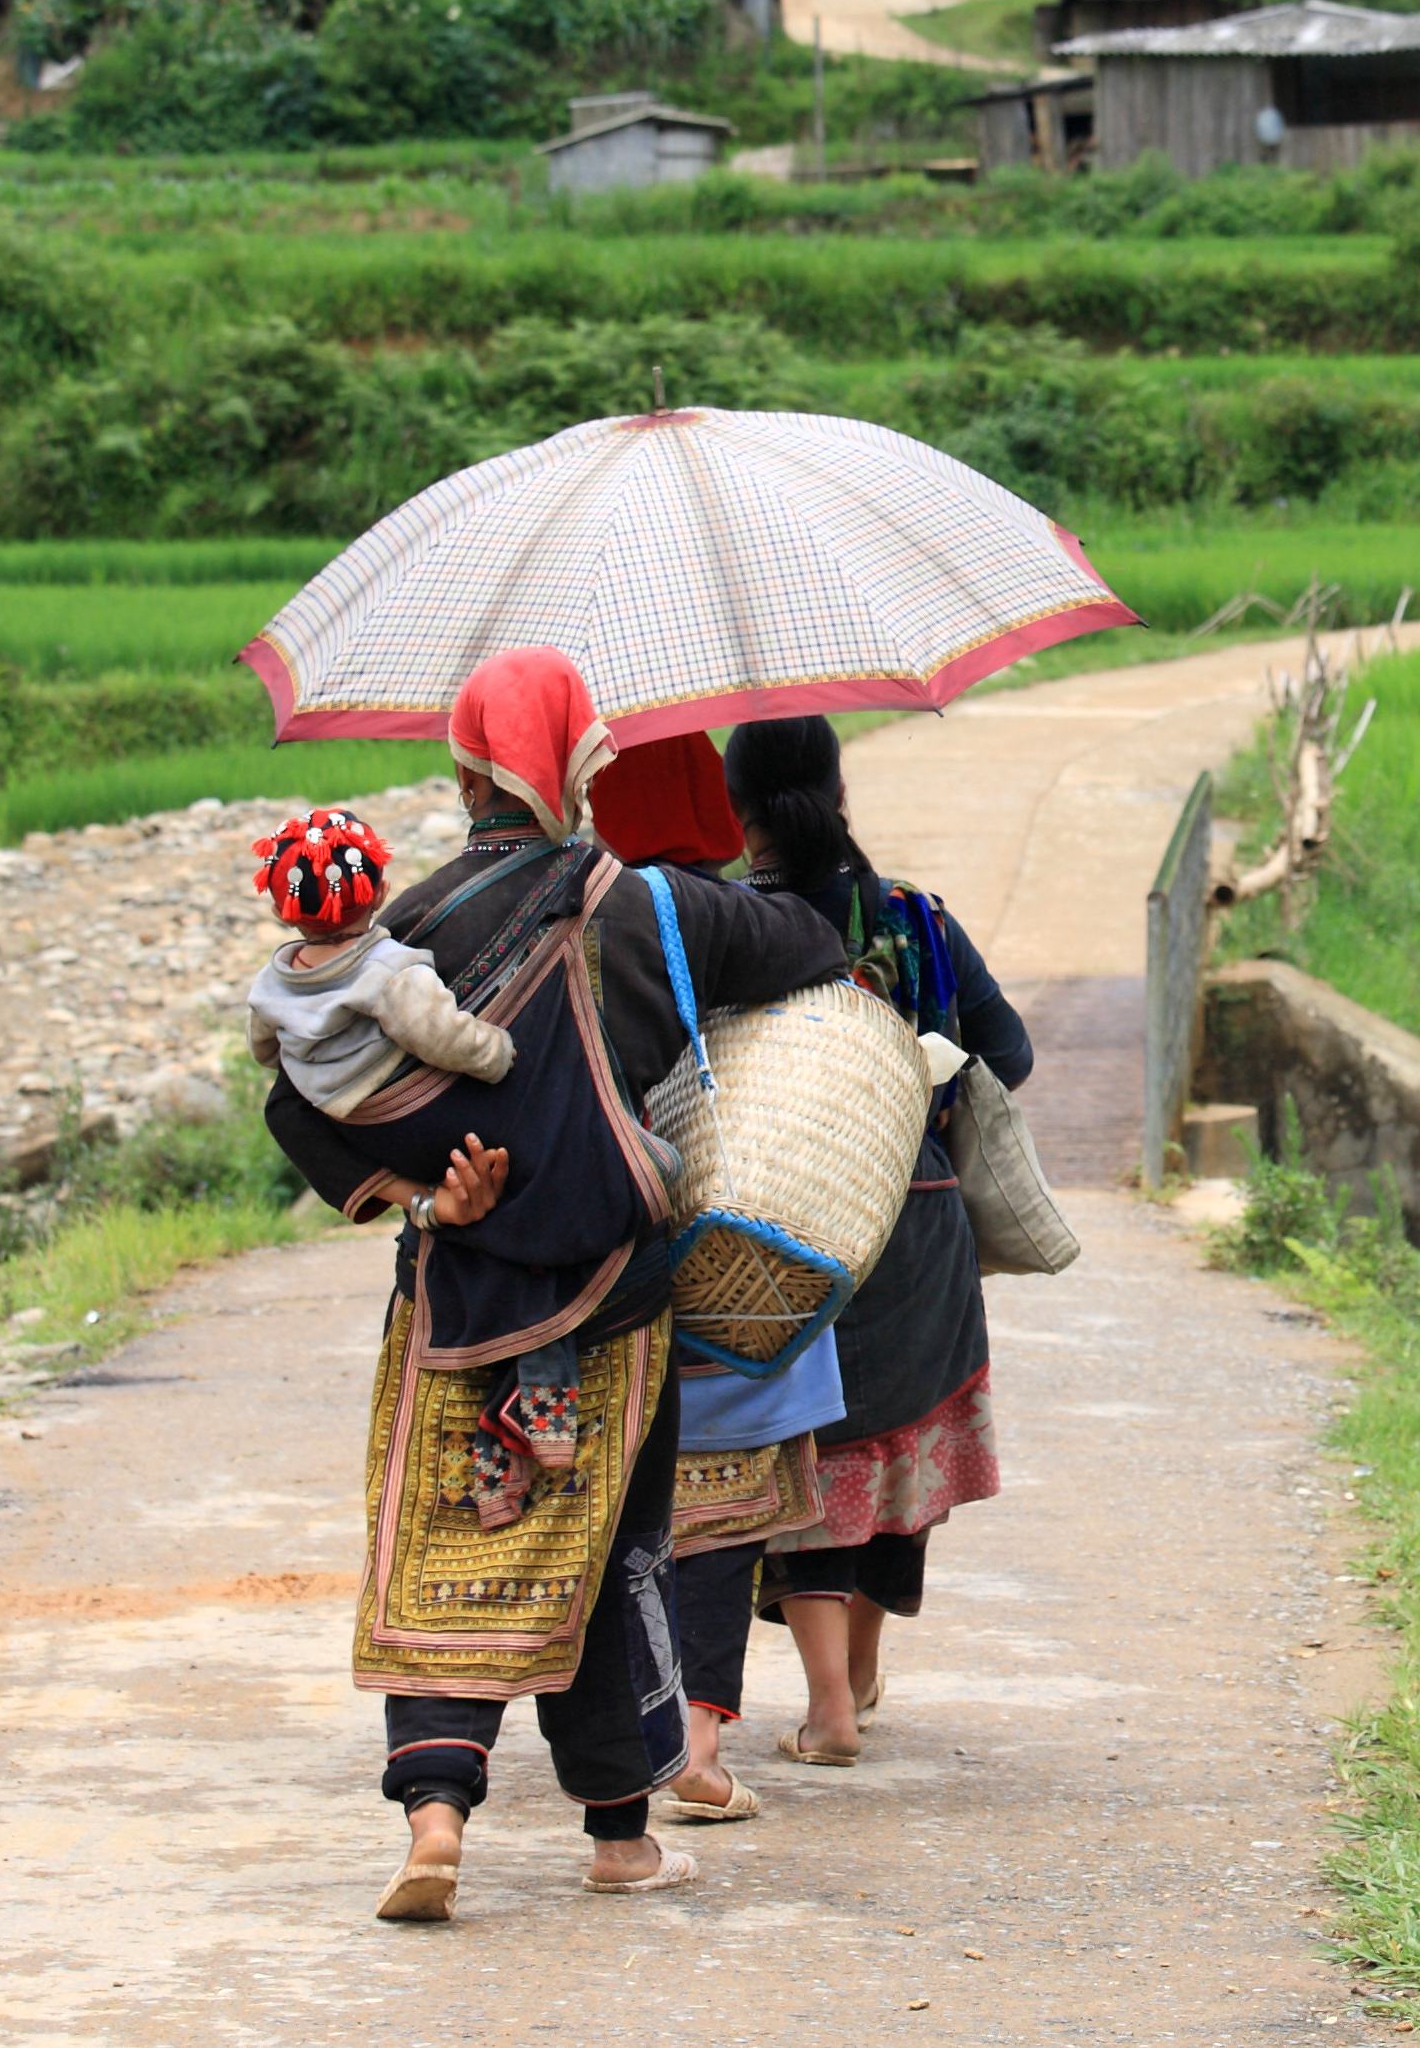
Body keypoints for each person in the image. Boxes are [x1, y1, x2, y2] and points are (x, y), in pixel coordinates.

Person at [261, 655, 846, 1921]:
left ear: (464, 768)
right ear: (586, 763)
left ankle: (434, 1819)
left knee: (443, 1540)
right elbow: (808, 943)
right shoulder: (646, 907)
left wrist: (417, 1201)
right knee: (608, 1555)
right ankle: (620, 1839)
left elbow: (293, 1103)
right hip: (613, 1293)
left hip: (457, 1294)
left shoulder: (397, 929)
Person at [723, 715, 1035, 1766]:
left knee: (806, 1446)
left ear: (738, 803)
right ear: (837, 780)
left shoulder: (722, 920)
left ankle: (829, 1705)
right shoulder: (913, 918)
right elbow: (1011, 1051)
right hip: (920, 1215)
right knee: (891, 1442)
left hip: (783, 1224)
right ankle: (854, 1671)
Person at [583, 732, 834, 1828]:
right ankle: (691, 1733)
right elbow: (824, 957)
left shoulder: (567, 907)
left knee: (620, 1509)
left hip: (597, 1246)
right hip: (728, 1242)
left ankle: (609, 1730)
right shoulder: (727, 916)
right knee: (722, 1514)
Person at [243, 807, 583, 1491]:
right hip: (427, 1114)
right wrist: (501, 1056)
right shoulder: (389, 969)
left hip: (352, 1122)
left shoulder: (274, 983)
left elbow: (262, 1049)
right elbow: (445, 1037)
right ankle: (541, 1399)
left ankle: (484, 1394)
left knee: (482, 1227)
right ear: (374, 890)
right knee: (548, 1195)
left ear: (285, 910)